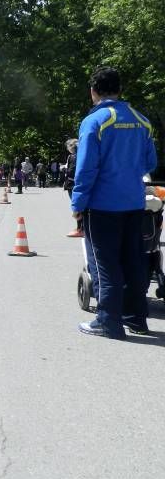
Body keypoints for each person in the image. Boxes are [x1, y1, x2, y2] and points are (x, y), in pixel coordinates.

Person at [73, 66, 157, 339]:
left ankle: (108, 321)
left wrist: (78, 204)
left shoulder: (95, 121)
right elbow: (150, 162)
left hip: (102, 206)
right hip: (134, 203)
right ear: (120, 90)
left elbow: (86, 169)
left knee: (105, 263)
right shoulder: (142, 120)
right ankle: (136, 318)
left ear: (93, 92)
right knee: (134, 261)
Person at [63, 139, 82, 237]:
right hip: (77, 182)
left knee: (76, 206)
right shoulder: (82, 155)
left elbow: (71, 171)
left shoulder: (73, 156)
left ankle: (80, 229)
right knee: (80, 205)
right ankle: (81, 228)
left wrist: (65, 169)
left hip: (72, 183)